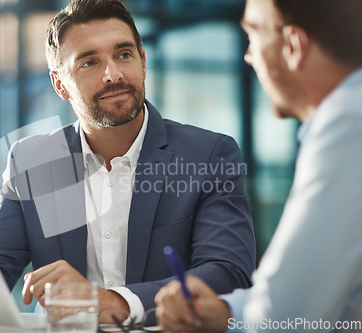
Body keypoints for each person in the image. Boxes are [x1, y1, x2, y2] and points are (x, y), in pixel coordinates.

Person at [0, 0, 256, 330]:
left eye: (124, 54)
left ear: (143, 62)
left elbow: (228, 272)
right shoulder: (34, 162)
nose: (112, 74)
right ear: (60, 85)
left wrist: (108, 302)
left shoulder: (207, 155)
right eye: (89, 62)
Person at [155, 0, 362, 332]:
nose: (248, 56)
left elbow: (284, 312)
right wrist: (226, 311)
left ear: (294, 45)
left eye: (253, 34)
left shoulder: (349, 124)